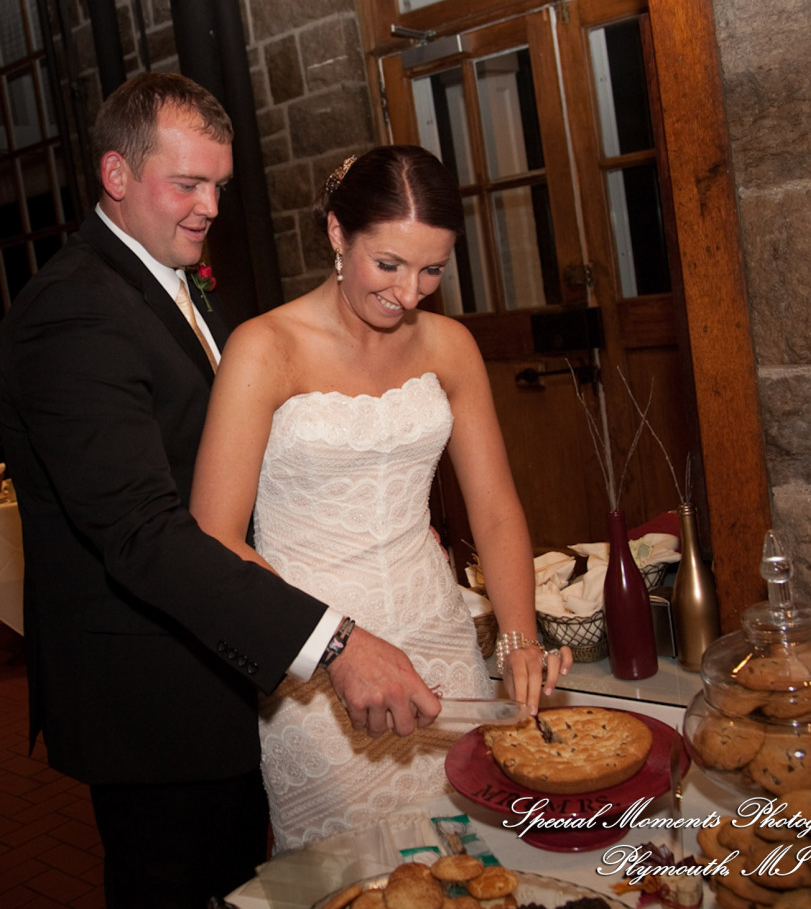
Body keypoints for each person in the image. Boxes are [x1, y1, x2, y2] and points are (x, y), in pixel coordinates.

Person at [0, 75, 441, 908]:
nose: (208, 207)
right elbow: (139, 530)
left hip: (211, 662)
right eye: (187, 184)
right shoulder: (74, 312)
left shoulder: (165, 276)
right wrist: (335, 642)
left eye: (218, 186)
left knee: (244, 879)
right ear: (117, 175)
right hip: (149, 696)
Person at [190, 145, 573, 850]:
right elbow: (213, 538)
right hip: (316, 662)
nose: (409, 292)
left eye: (432, 270)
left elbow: (493, 508)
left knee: (474, 860)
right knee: (357, 877)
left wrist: (519, 637)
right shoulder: (263, 347)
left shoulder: (449, 345)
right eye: (388, 265)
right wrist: (326, 644)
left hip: (439, 640)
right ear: (337, 234)